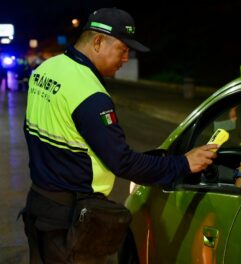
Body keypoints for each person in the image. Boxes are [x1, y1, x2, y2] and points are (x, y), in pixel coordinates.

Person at [21, 7, 217, 263]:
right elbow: (122, 161)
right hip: (69, 219)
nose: (125, 58)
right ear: (99, 42)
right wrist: (183, 163)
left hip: (39, 205)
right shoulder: (90, 94)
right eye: (122, 49)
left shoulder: (49, 69)